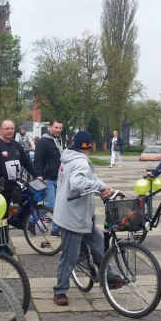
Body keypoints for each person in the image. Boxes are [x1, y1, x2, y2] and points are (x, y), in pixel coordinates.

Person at [51, 131, 123, 306]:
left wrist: (106, 188)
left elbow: (90, 178)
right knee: (69, 256)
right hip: (72, 217)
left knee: (98, 244)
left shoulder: (69, 158)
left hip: (79, 215)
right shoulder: (81, 161)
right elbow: (77, 183)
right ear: (88, 146)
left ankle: (109, 276)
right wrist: (100, 188)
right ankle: (60, 291)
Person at [0, 119, 41, 256]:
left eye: (12, 128)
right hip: (0, 187)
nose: (10, 131)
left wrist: (36, 174)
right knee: (2, 217)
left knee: (30, 197)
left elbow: (26, 161)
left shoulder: (16, 145)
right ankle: (2, 245)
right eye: (7, 128)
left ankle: (17, 219)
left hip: (15, 184)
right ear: (1, 130)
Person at [33, 118, 65, 235]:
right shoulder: (43, 141)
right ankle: (31, 220)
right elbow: (37, 159)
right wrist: (39, 175)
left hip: (59, 178)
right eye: (56, 127)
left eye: (60, 128)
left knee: (59, 206)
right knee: (50, 204)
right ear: (50, 127)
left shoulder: (60, 140)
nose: (58, 130)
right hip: (48, 178)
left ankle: (55, 230)